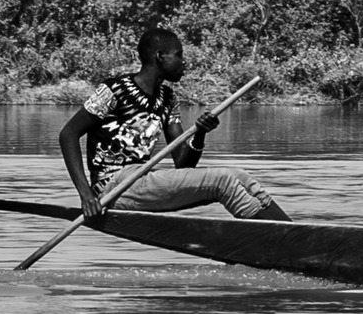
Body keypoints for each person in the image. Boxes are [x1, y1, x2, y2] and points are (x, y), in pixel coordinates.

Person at [58, 27, 289, 222]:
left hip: (141, 178)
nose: (183, 62)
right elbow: (68, 134)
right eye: (178, 55)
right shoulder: (114, 89)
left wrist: (200, 134)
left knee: (240, 176)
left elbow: (183, 164)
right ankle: (281, 241)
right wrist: (86, 196)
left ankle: (296, 236)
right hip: (113, 186)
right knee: (223, 181)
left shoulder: (168, 98)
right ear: (160, 56)